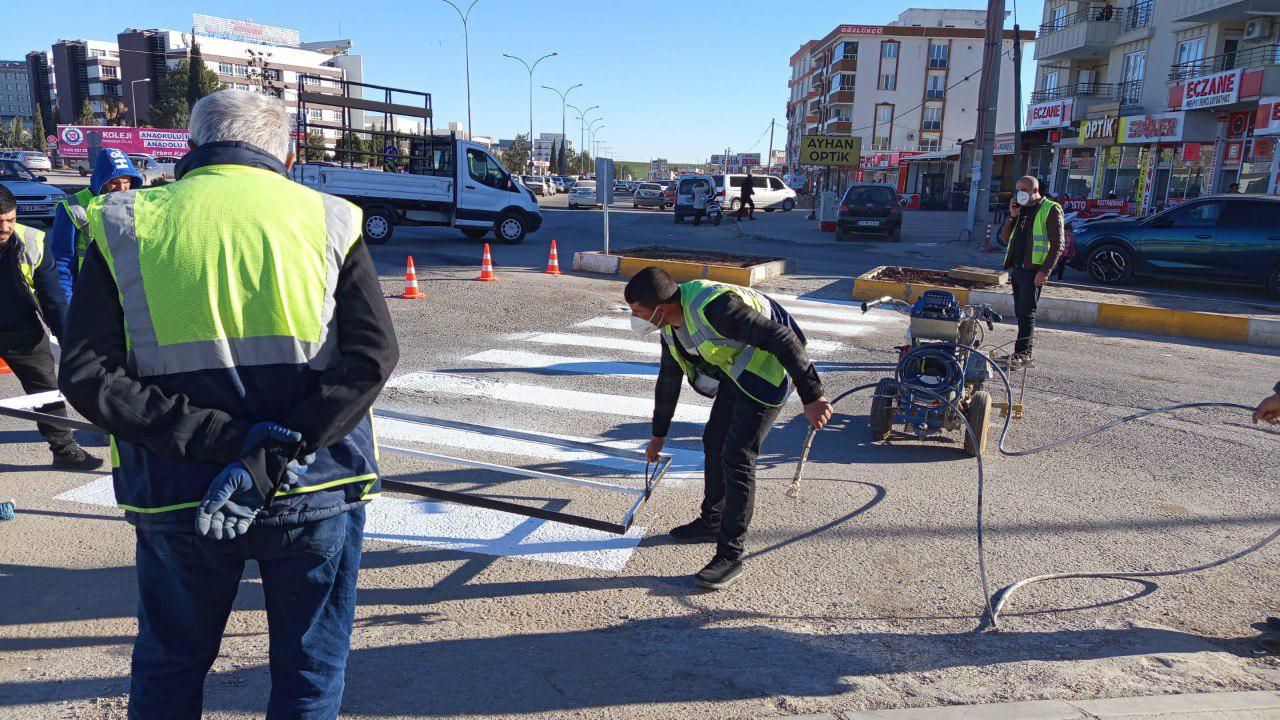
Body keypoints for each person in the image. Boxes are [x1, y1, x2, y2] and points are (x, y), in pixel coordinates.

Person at [58, 89, 399, 719]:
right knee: (309, 673)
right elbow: (371, 358)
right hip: (313, 488)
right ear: (288, 151)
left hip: (175, 487)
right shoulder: (330, 218)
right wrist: (267, 454)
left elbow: (86, 375)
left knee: (170, 667)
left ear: (192, 145)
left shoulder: (125, 222)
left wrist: (225, 444)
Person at [626, 267, 833, 590]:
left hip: (770, 370)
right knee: (714, 440)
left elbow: (783, 338)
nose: (634, 317)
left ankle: (730, 555)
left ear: (660, 308)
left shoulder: (716, 309)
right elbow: (668, 379)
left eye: (637, 311)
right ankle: (712, 520)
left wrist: (812, 396)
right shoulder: (669, 326)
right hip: (739, 370)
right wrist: (658, 435)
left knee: (737, 456)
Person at [0, 186, 102, 470]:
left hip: (22, 331)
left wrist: (71, 343)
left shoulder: (32, 242)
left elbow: (54, 299)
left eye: (11, 219)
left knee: (46, 391)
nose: (6, 227)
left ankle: (64, 449)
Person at [47, 146, 143, 302]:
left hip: (125, 294)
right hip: (89, 294)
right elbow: (62, 260)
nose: (121, 188)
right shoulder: (72, 208)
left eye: (126, 181)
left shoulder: (133, 204)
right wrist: (67, 303)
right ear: (100, 180)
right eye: (114, 182)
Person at [1001, 175, 1063, 369]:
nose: (1019, 193)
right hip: (1018, 269)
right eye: (1017, 189)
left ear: (1035, 191)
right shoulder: (1021, 210)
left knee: (1027, 312)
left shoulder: (1050, 208)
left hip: (1033, 270)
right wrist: (1012, 215)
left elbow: (1058, 245)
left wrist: (1045, 271)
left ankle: (1023, 355)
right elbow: (1005, 238)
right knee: (1020, 311)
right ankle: (1022, 352)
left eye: (1024, 190)